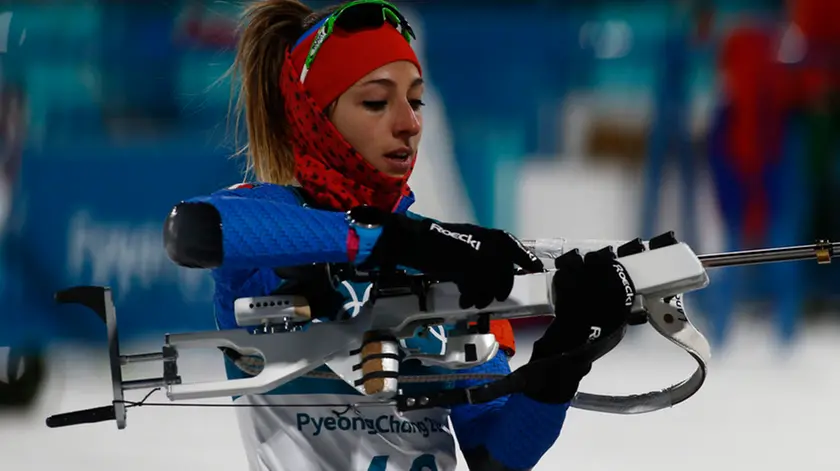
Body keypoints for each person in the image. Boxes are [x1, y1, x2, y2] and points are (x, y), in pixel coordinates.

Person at [163, 1, 638, 469]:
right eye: (375, 101)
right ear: (315, 117)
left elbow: (496, 457)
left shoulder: (447, 263)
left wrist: (566, 353)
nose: (409, 124)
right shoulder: (267, 222)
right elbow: (193, 230)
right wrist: (407, 240)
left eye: (415, 101)